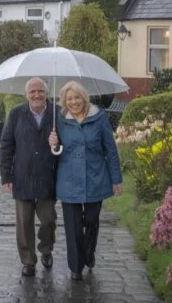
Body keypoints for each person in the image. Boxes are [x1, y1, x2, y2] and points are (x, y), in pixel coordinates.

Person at [48, 81, 122, 281]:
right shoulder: (60, 120)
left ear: (84, 98)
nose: (74, 102)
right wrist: (54, 144)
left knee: (91, 220)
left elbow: (111, 150)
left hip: (95, 177)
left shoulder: (99, 117)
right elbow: (55, 153)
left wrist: (116, 179)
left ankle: (89, 252)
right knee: (72, 226)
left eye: (77, 97)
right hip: (68, 178)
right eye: (69, 99)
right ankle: (75, 266)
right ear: (64, 101)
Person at [0, 77, 58, 277]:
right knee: (24, 223)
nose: (36, 95)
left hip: (47, 176)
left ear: (46, 93)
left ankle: (46, 249)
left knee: (48, 220)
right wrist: (6, 175)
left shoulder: (57, 114)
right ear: (26, 95)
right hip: (22, 176)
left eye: (40, 90)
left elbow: (66, 145)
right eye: (32, 91)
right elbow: (7, 145)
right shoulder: (16, 114)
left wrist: (57, 143)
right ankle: (28, 261)